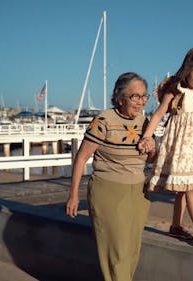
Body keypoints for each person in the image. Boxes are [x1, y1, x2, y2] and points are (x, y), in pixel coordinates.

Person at [66, 72, 156, 281]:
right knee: (116, 252)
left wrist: (152, 149)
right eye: (135, 96)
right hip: (108, 190)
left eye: (144, 96)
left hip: (138, 192)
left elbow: (151, 159)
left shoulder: (145, 122)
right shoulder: (104, 121)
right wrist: (73, 196)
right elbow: (81, 158)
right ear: (119, 96)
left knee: (132, 251)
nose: (140, 102)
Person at [139, 47, 193, 246]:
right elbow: (159, 114)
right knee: (190, 188)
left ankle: (175, 226)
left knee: (185, 187)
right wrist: (147, 136)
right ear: (188, 68)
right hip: (181, 144)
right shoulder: (176, 90)